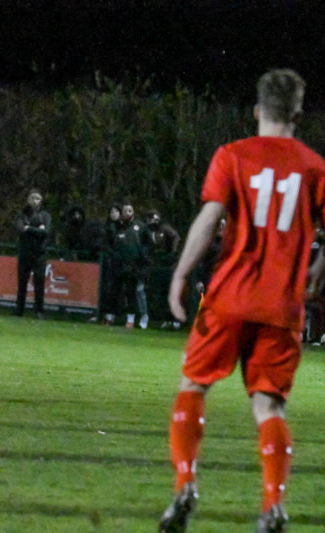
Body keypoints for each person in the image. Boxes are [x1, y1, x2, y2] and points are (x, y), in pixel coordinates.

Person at [160, 69, 325, 533]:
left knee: (193, 386)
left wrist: (181, 273)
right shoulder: (314, 168)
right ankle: (273, 506)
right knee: (269, 408)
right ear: (297, 115)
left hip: (228, 299)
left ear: (256, 111)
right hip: (282, 308)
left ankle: (185, 484)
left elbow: (209, 217)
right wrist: (320, 266)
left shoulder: (232, 156)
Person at [111, 200, 151, 328]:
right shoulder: (119, 227)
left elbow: (149, 243)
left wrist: (143, 255)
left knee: (139, 291)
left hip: (138, 265)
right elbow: (115, 244)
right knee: (126, 291)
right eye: (125, 211)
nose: (127, 213)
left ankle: (143, 316)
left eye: (129, 211)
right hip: (124, 265)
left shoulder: (140, 226)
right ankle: (127, 317)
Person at [15, 189, 51, 317]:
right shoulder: (22, 214)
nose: (35, 201)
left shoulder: (45, 215)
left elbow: (46, 232)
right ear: (28, 199)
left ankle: (39, 310)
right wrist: (38, 229)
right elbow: (20, 229)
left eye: (38, 198)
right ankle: (19, 310)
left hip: (39, 254)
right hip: (25, 253)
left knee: (39, 283)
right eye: (33, 198)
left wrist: (29, 228)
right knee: (22, 283)